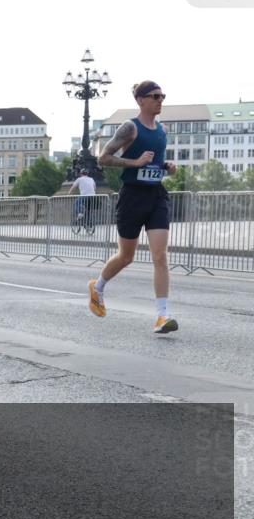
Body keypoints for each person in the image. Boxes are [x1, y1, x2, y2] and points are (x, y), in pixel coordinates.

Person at [90, 80, 179, 334]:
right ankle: (98, 287)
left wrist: (168, 168)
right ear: (140, 100)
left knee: (160, 255)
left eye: (162, 95)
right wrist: (135, 162)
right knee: (126, 256)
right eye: (155, 96)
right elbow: (103, 158)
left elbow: (156, 164)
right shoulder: (130, 127)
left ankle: (162, 316)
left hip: (156, 195)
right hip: (132, 196)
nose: (160, 100)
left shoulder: (161, 130)